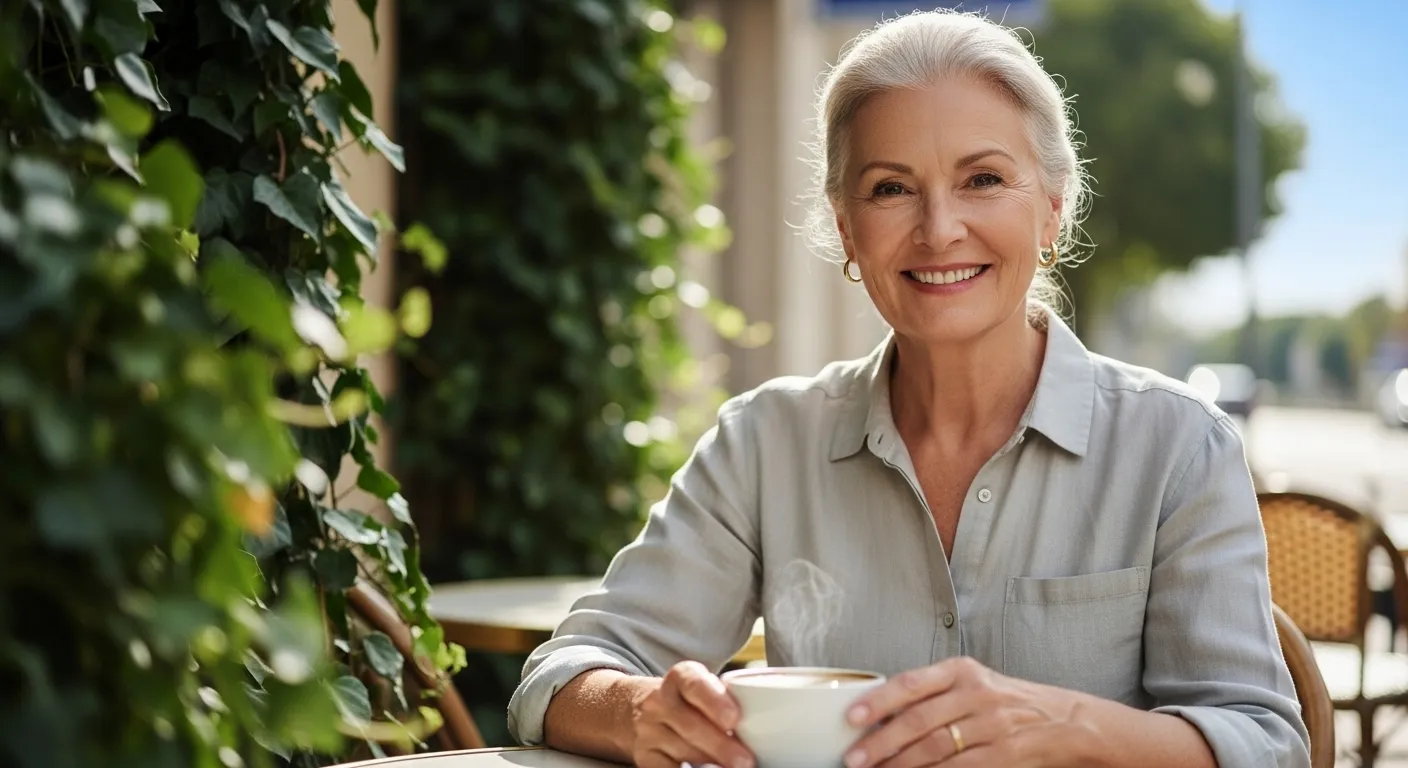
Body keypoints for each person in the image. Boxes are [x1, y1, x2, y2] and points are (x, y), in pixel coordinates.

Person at [507, 10, 1310, 768]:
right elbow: (563, 674)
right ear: (847, 228)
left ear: (1052, 215)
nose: (938, 229)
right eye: (891, 188)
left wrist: (1065, 725)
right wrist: (642, 708)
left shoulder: (1178, 449)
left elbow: (1268, 743)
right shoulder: (762, 443)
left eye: (984, 179)